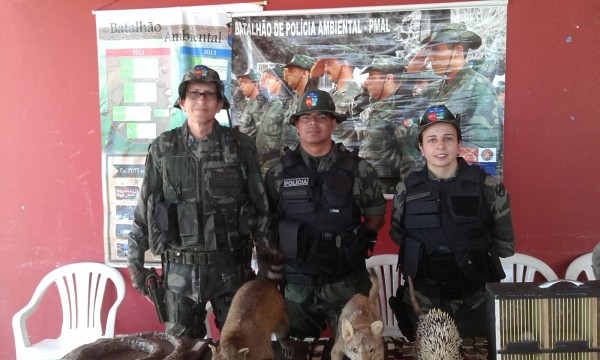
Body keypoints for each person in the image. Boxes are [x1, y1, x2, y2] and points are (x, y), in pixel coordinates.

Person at [127, 65, 271, 339]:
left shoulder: (240, 146)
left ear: (219, 104)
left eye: (209, 94)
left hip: (232, 270)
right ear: (182, 102)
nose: (201, 101)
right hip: (180, 273)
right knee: (181, 349)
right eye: (193, 94)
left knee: (241, 346)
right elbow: (144, 209)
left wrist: (266, 271)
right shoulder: (163, 148)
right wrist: (135, 267)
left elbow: (262, 209)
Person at [265, 90, 386, 339]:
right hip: (296, 287)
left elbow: (375, 216)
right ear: (296, 125)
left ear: (333, 123)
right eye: (305, 117)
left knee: (354, 351)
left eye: (321, 116)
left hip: (346, 283)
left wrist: (354, 244)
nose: (313, 123)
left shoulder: (359, 170)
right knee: (296, 352)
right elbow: (268, 224)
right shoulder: (277, 173)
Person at [389, 104, 514, 340]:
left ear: (459, 144)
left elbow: (504, 247)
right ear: (421, 147)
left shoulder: (488, 188)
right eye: (432, 139)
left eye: (448, 138)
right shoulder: (406, 189)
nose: (440, 146)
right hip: (423, 301)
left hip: (475, 299)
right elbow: (398, 235)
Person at [407, 23, 502, 175]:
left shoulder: (478, 88)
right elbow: (401, 112)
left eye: (436, 50)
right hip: (436, 180)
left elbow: (484, 151)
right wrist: (408, 76)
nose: (430, 57)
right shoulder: (436, 88)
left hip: (465, 184)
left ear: (457, 51)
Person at [358, 55, 425, 193]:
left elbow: (411, 160)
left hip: (387, 189)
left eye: (372, 77)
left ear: (388, 79)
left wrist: (407, 195)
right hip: (369, 185)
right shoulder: (377, 106)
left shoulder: (401, 109)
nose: (367, 82)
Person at [310, 45, 362, 150]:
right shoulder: (328, 95)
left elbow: (363, 136)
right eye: (325, 65)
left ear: (345, 64)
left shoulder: (356, 95)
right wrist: (313, 78)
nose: (325, 69)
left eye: (329, 64)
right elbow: (308, 108)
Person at [256, 64, 299, 177]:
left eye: (270, 78)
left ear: (279, 81)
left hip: (276, 162)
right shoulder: (271, 103)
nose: (267, 81)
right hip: (264, 162)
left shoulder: (287, 103)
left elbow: (290, 138)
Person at [234, 68, 265, 140]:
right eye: (241, 83)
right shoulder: (249, 103)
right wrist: (239, 87)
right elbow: (237, 102)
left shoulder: (260, 105)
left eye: (245, 82)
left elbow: (262, 133)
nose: (242, 86)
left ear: (255, 84)